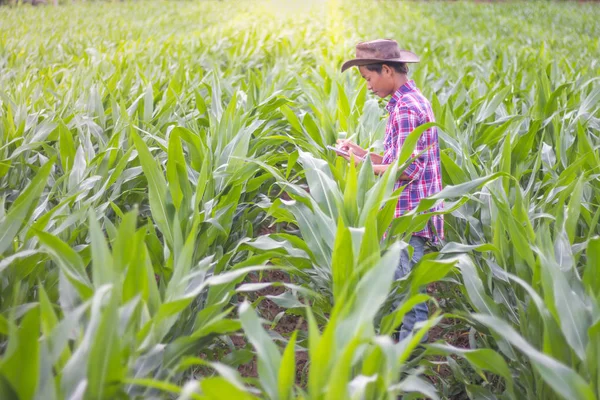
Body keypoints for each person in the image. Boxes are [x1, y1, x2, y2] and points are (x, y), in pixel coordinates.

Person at [338, 39, 444, 341]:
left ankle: (406, 370)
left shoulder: (408, 108)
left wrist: (360, 167)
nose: (368, 87)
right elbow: (397, 161)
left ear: (386, 70)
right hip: (407, 214)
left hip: (408, 217)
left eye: (369, 79)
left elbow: (407, 170)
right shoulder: (406, 102)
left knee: (409, 302)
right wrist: (361, 154)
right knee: (403, 295)